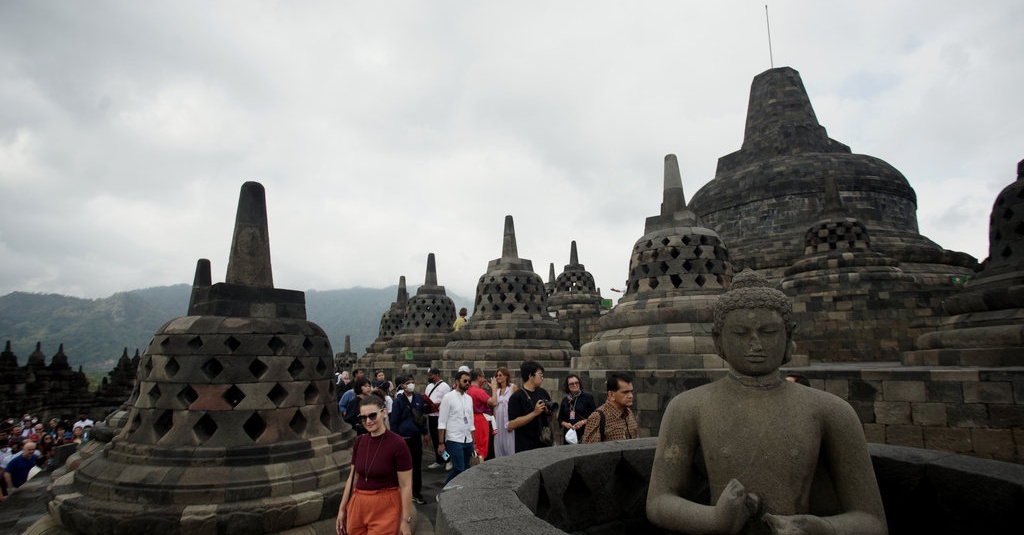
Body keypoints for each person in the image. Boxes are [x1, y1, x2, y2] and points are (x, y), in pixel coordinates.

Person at [646, 271, 887, 535]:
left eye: (769, 332)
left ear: (788, 335)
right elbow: (659, 501)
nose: (755, 345)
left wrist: (823, 528)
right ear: (718, 341)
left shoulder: (830, 410)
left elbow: (872, 520)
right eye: (739, 333)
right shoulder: (688, 407)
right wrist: (713, 520)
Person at [336, 395, 414, 535]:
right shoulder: (360, 441)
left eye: (372, 416)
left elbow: (406, 485)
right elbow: (352, 478)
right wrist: (342, 509)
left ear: (384, 413)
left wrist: (405, 520)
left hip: (385, 506)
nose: (368, 421)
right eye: (363, 417)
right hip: (358, 504)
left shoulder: (398, 444)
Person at [389, 374, 429, 505]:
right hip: (403, 438)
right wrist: (394, 439)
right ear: (402, 386)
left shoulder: (418, 397)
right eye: (408, 382)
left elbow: (421, 417)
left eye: (413, 382)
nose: (411, 384)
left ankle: (417, 492)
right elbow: (394, 421)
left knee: (417, 466)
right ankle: (402, 491)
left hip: (415, 437)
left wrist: (425, 432)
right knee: (403, 467)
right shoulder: (398, 401)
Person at [506, 361, 554, 453]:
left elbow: (550, 418)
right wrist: (534, 413)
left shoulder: (542, 392)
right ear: (530, 376)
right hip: (526, 446)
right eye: (540, 375)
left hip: (544, 442)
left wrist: (548, 413)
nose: (542, 378)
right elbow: (511, 424)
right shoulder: (517, 397)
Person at [437, 370, 475, 484]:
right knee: (459, 468)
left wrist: (474, 442)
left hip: (467, 439)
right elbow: (442, 422)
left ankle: (459, 491)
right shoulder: (448, 397)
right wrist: (441, 443)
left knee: (466, 468)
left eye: (469, 381)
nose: (467, 383)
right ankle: (444, 491)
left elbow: (471, 422)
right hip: (454, 439)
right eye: (465, 381)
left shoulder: (469, 399)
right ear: (457, 381)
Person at [581, 372, 638, 443]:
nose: (630, 396)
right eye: (625, 392)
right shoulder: (597, 417)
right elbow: (589, 450)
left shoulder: (629, 413)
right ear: (611, 394)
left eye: (631, 391)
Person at [423, 368, 451, 469]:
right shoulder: (429, 386)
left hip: (440, 416)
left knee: (442, 439)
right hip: (431, 415)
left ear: (437, 375)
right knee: (435, 439)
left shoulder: (445, 386)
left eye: (431, 375)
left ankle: (447, 459)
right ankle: (439, 459)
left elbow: (447, 401)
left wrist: (438, 404)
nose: (429, 377)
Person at [557, 373, 597, 444]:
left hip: (584, 435)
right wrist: (566, 424)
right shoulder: (565, 400)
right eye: (571, 384)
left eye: (576, 383)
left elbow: (596, 416)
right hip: (569, 436)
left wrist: (582, 422)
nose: (575, 385)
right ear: (567, 386)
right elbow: (560, 419)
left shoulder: (587, 398)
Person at [466, 369, 496, 460]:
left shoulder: (470, 390)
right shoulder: (477, 391)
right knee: (483, 447)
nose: (484, 379)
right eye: (483, 377)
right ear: (479, 378)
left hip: (474, 420)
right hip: (480, 421)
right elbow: (493, 402)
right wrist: (494, 388)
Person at [491, 366, 518, 457]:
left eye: (500, 375)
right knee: (499, 442)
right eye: (497, 375)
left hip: (508, 418)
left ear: (506, 376)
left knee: (509, 442)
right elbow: (494, 406)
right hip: (498, 419)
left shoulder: (512, 387)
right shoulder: (497, 390)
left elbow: (516, 405)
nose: (498, 377)